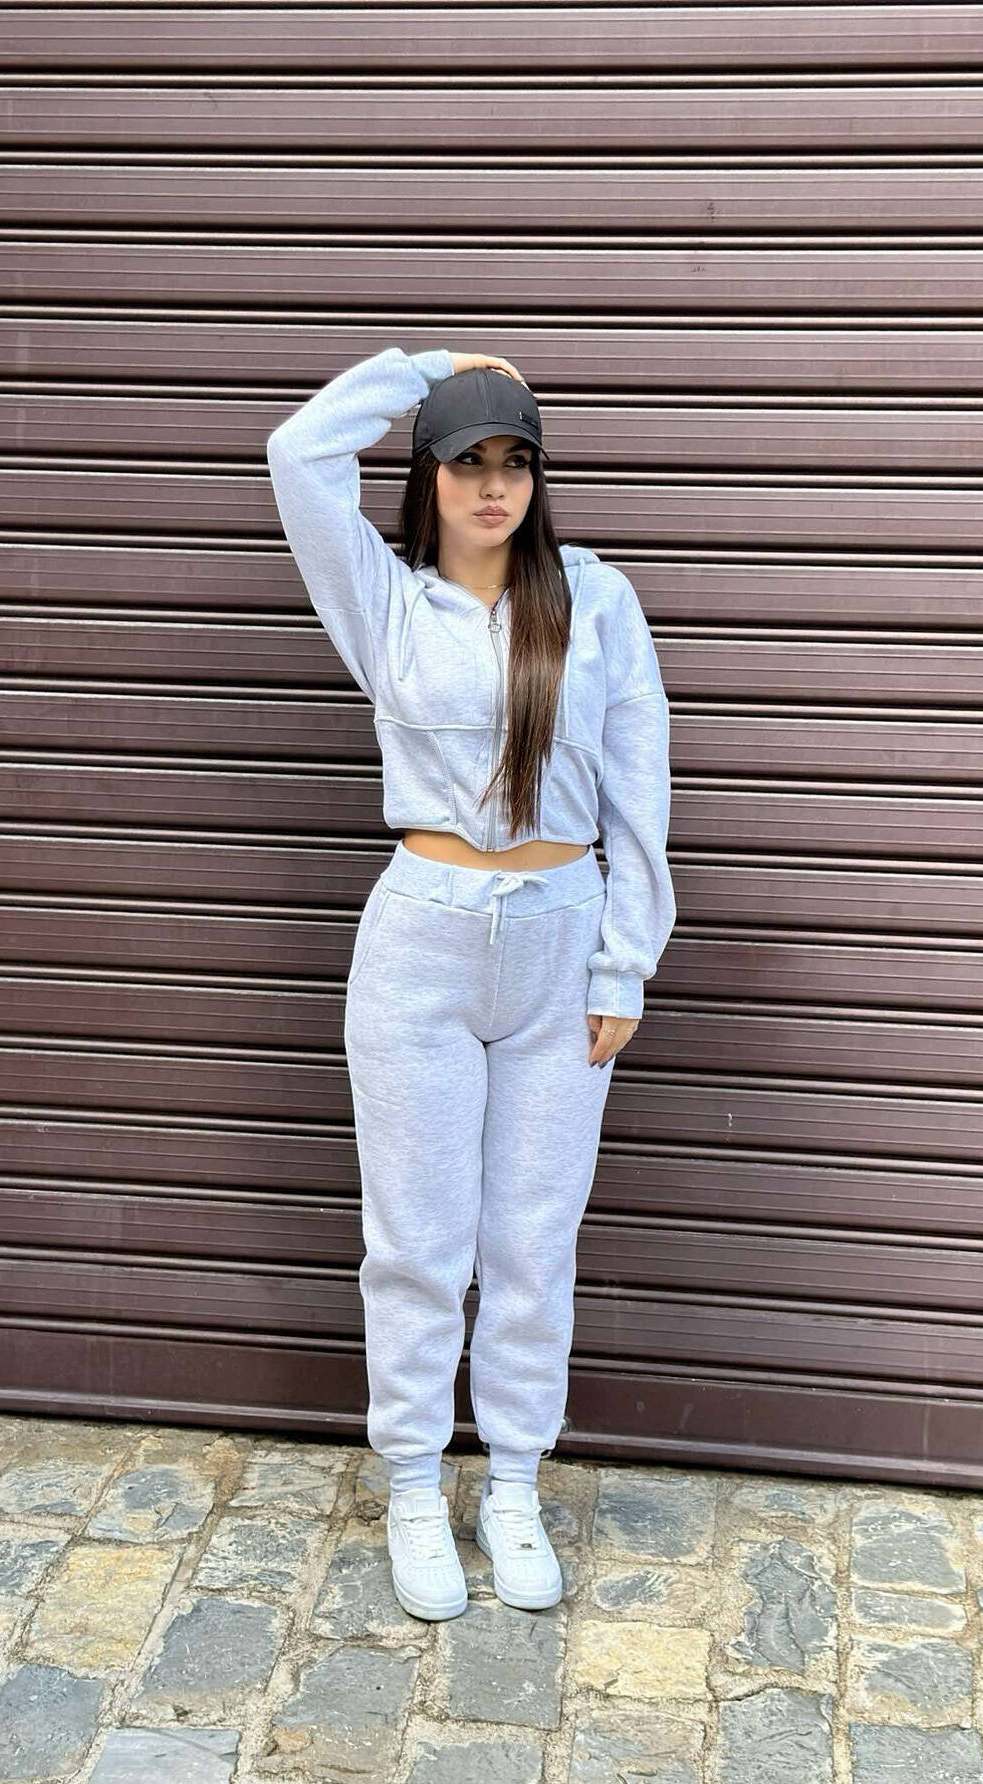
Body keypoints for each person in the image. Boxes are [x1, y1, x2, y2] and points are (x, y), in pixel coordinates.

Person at [266, 346, 675, 1621]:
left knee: (532, 1240)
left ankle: (512, 1484)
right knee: (417, 1245)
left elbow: (640, 787)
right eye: (466, 462)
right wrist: (426, 370)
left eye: (514, 462)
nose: (493, 487)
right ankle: (409, 1483)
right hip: (421, 947)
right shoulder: (384, 603)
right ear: (427, 478)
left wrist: (626, 960)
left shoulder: (596, 599)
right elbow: (296, 452)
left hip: (562, 944)